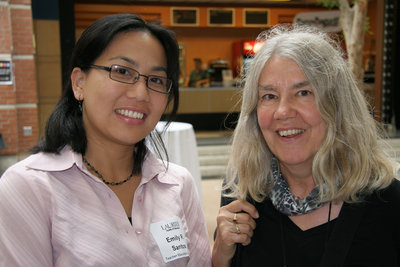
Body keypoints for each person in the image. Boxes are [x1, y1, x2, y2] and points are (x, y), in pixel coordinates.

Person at [0, 14, 211, 267]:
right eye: (122, 71)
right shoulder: (29, 187)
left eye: (155, 80)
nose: (140, 93)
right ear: (79, 83)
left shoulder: (177, 184)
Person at [212, 25, 400, 267]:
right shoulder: (241, 197)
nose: (283, 111)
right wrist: (220, 254)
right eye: (269, 96)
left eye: (303, 92)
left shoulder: (388, 203)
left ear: (337, 104)